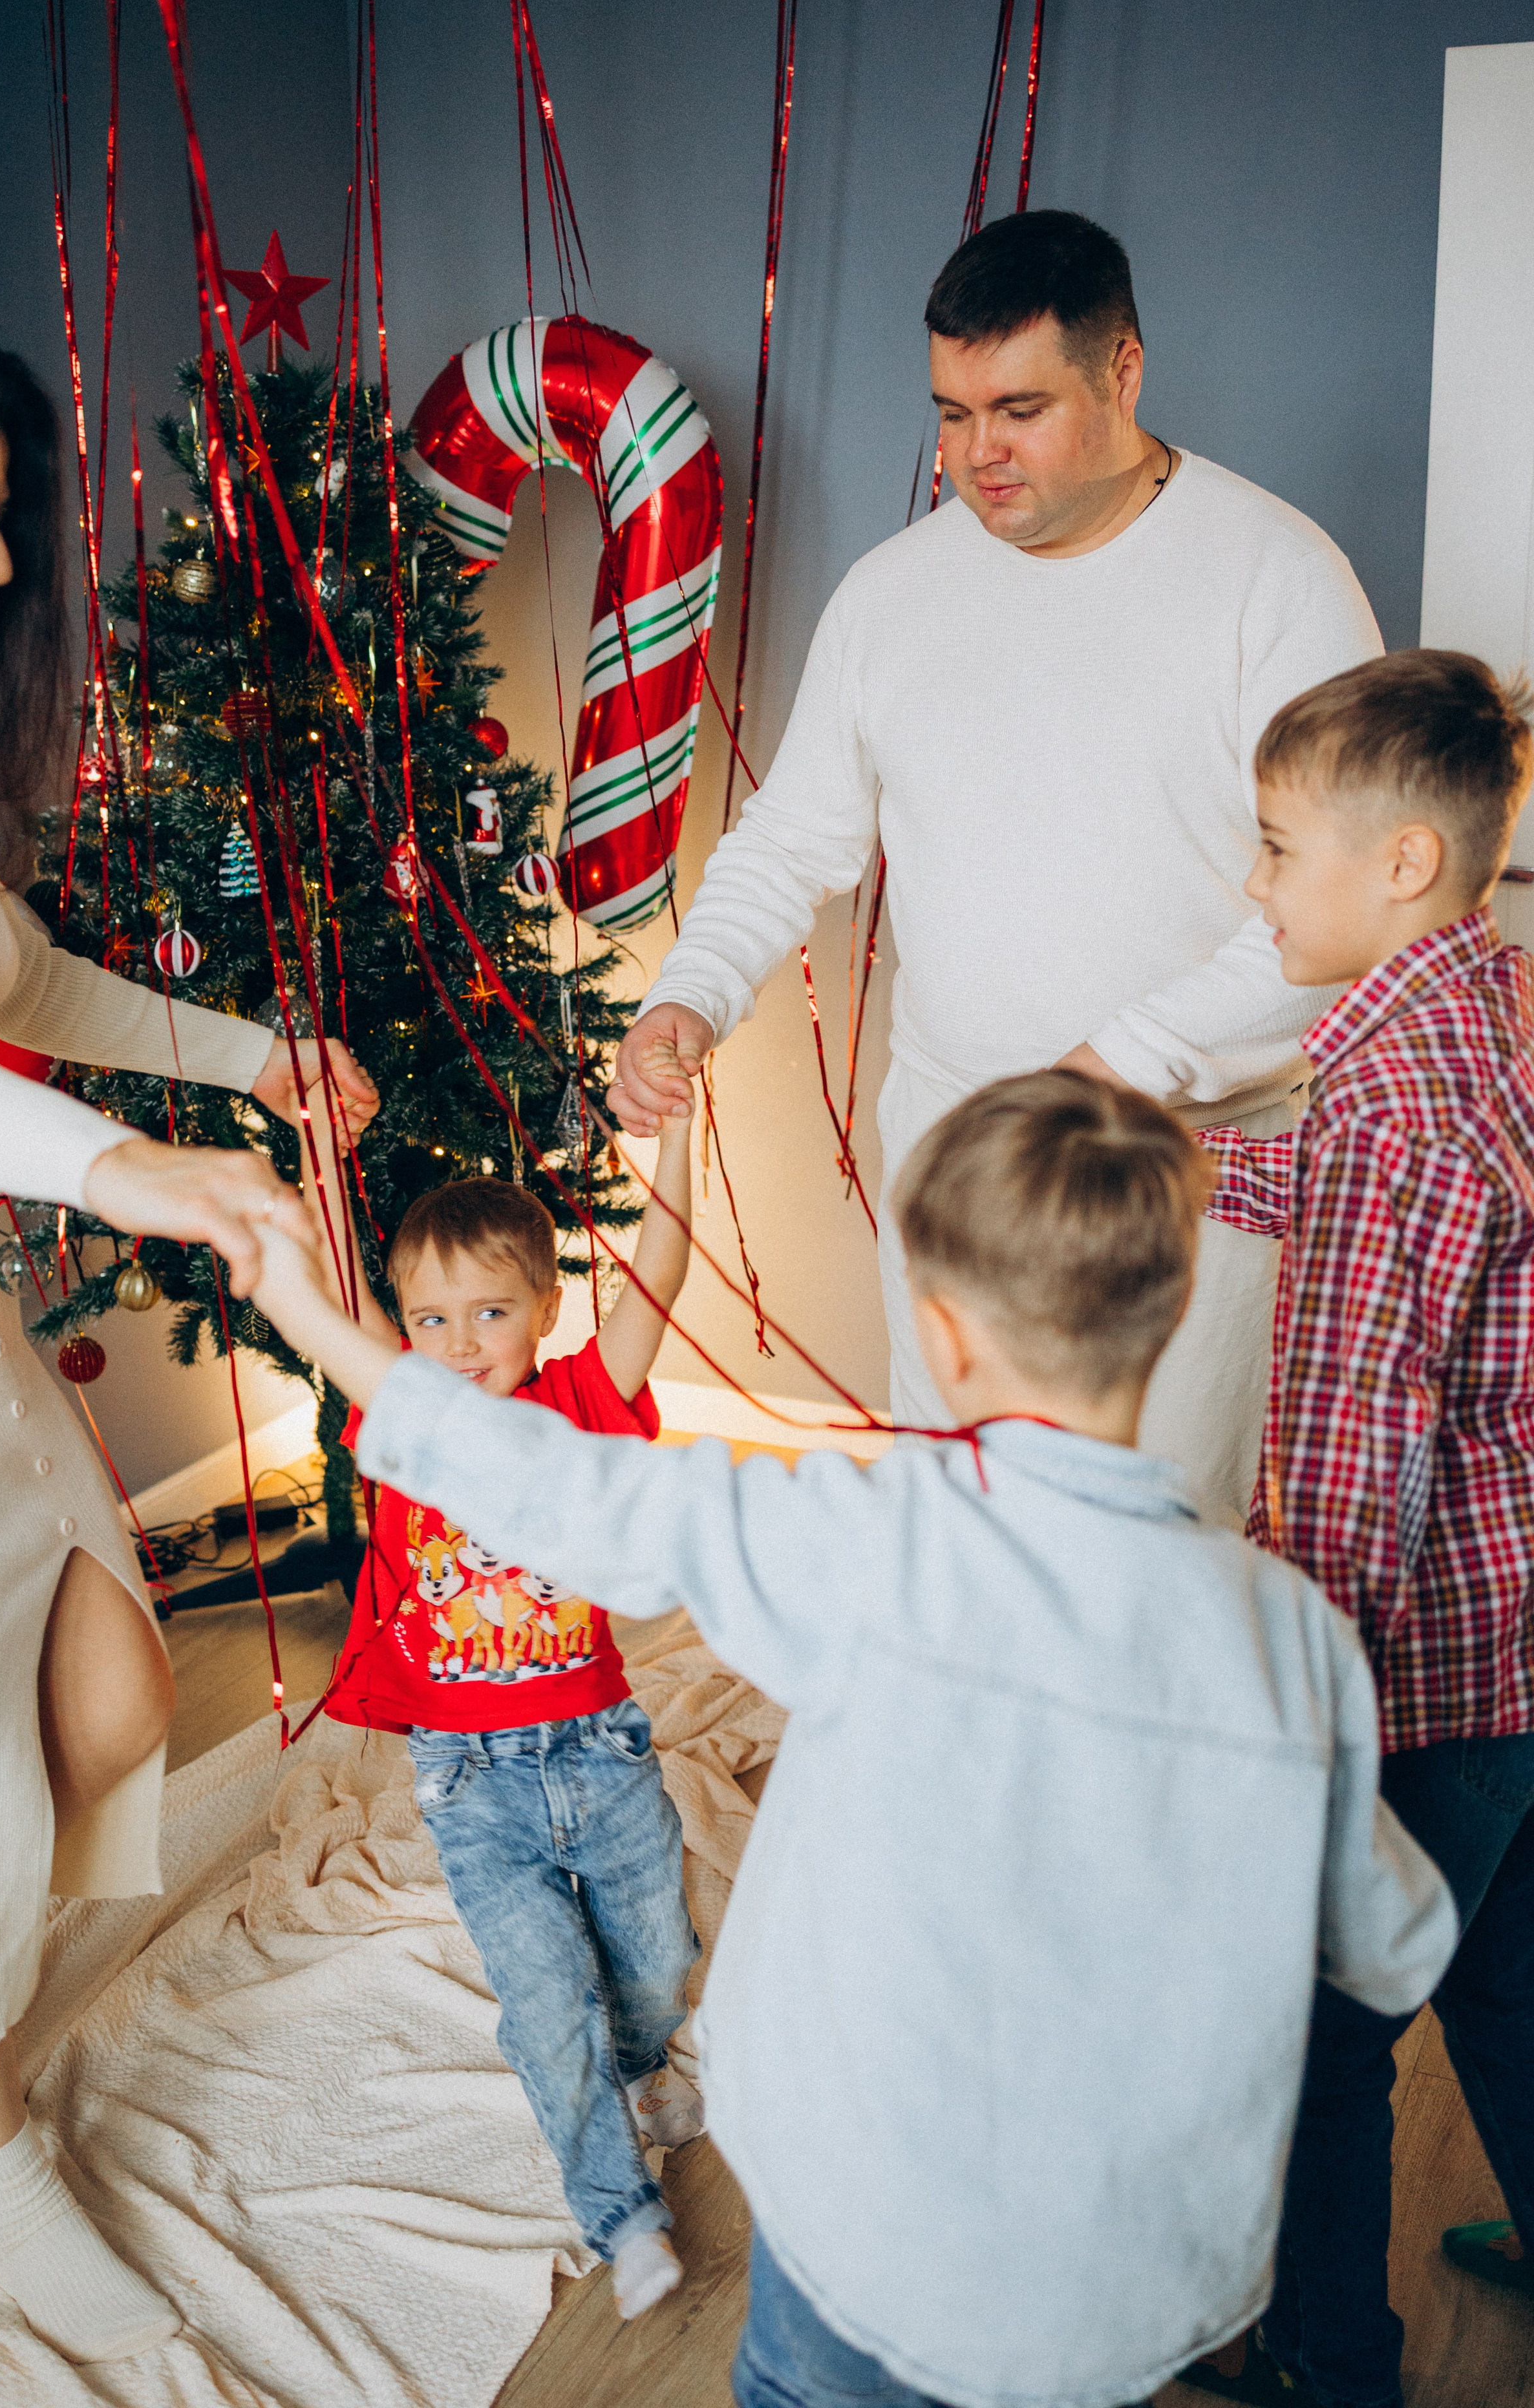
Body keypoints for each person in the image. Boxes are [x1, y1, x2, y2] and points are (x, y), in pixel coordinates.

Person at [251, 1068, 1455, 2408]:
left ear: (939, 1335)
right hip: (1127, 2298)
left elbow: (571, 1494)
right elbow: (1392, 1942)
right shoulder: (1289, 1631)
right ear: (1171, 1314)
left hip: (868, 2263)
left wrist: (310, 1310)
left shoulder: (863, 1542)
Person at [610, 208, 1383, 1528]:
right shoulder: (889, 595)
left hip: (1187, 1172)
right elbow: (794, 837)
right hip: (954, 1153)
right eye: (950, 413)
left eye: (1016, 409)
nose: (975, 456)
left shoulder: (1278, 580)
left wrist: (1112, 1065)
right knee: (959, 1528)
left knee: (1155, 1547)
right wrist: (692, 991)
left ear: (1122, 371)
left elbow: (1350, 910)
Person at [0, 314, 376, 2363]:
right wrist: (136, 1177)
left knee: (106, 1710)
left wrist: (258, 1065)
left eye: (3, 516)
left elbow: (23, 978)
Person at [1177, 650, 1534, 2408]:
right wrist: (1180, 1156)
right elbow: (1373, 1198)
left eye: (1273, 846)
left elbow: (1344, 1463)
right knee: (1517, 1987)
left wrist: (1289, 1709)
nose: (1254, 884)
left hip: (1418, 1677)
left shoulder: (1393, 1113)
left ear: (1399, 860)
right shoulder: (1481, 1014)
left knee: (1315, 2041)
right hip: (1519, 1645)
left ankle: (1326, 2364)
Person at [298, 1080, 702, 2320]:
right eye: (428, 1319)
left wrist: (679, 1136)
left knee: (655, 1962)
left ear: (543, 1310)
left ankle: (635, 2066)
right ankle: (619, 2212)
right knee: (543, 1999)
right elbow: (326, 1292)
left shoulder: (580, 1402)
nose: (460, 1342)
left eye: (489, 1312)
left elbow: (659, 1285)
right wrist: (321, 1154)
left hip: (602, 1752)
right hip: (471, 1786)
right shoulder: (404, 1424)